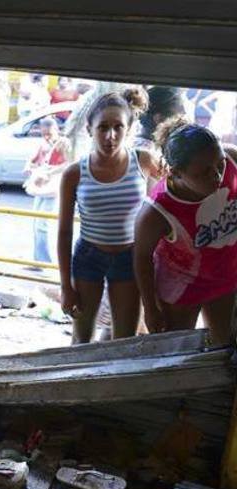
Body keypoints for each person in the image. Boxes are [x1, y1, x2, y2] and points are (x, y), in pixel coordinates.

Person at [57, 88, 162, 343]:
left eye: (118, 127)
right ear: (89, 129)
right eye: (103, 127)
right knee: (81, 339)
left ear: (129, 129)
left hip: (131, 258)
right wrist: (65, 287)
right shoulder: (74, 173)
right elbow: (64, 232)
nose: (110, 136)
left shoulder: (144, 161)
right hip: (88, 257)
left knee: (123, 339)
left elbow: (173, 194)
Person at [135, 118, 237, 346]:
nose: (217, 176)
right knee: (176, 350)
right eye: (203, 173)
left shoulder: (232, 158)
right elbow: (142, 258)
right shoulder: (156, 211)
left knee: (223, 346)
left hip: (225, 276)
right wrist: (150, 308)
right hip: (180, 287)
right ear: (175, 173)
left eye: (219, 165)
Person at [23, 117, 71, 264]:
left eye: (49, 133)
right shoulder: (43, 143)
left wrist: (48, 174)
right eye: (43, 133)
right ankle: (38, 260)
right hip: (41, 187)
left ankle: (44, 262)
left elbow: (68, 164)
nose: (46, 136)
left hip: (54, 188)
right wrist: (29, 167)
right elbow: (34, 160)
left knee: (42, 225)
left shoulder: (63, 143)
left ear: (56, 130)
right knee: (36, 223)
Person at [135, 86, 187, 152]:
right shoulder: (149, 155)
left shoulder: (137, 147)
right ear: (159, 119)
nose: (184, 112)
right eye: (178, 117)